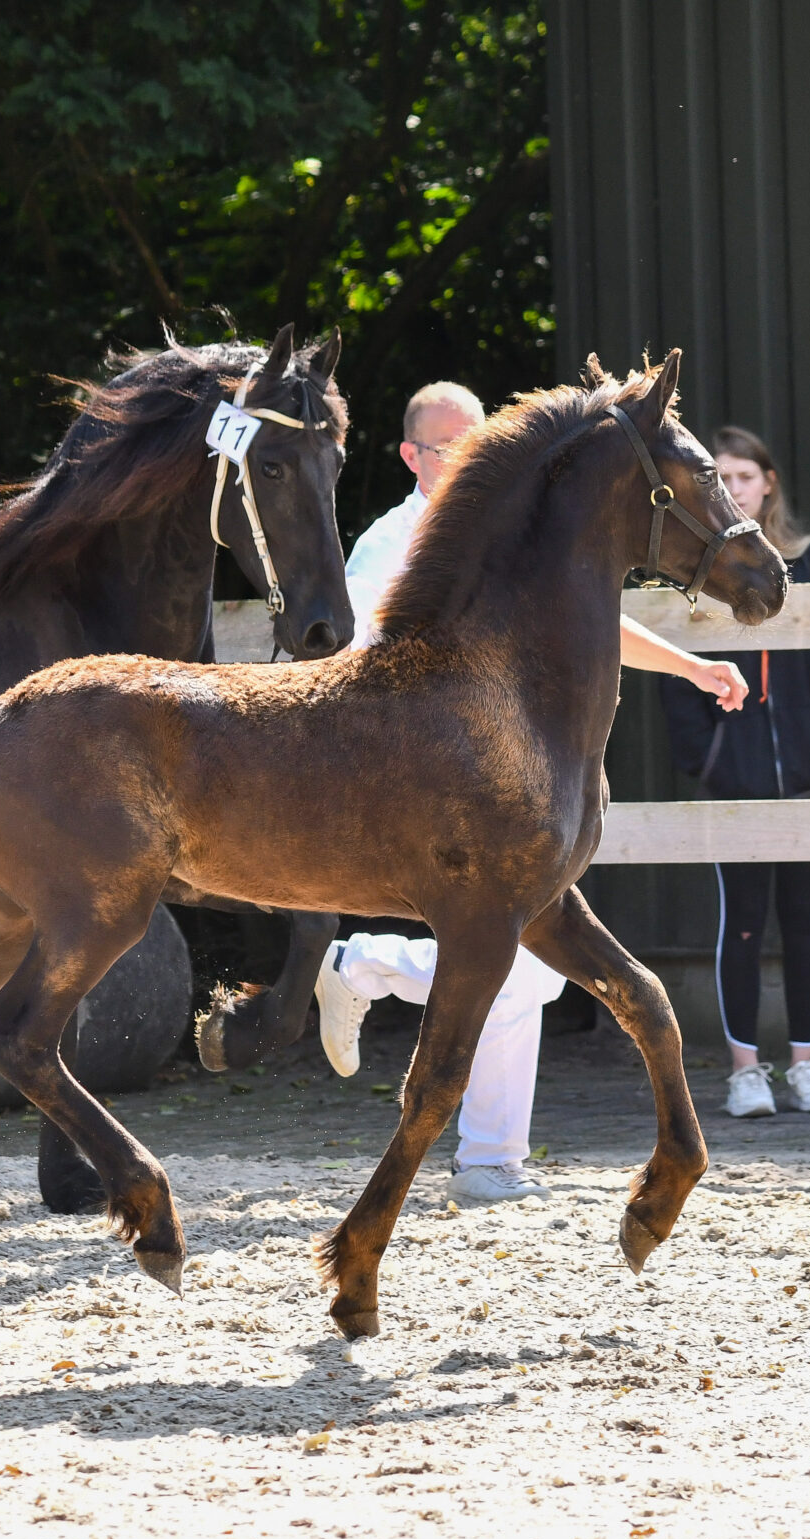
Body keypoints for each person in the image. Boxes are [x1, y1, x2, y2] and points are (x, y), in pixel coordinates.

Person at [313, 382, 754, 1205]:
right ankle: (485, 1155)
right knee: (519, 970)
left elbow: (591, 621)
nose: (467, 455)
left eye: (478, 439)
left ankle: (375, 981)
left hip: (498, 785)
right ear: (410, 456)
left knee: (534, 974)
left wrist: (692, 668)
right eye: (447, 446)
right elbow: (364, 659)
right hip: (422, 786)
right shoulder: (390, 543)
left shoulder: (512, 527)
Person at [659, 426, 810, 1119]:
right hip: (734, 783)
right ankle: (745, 1072)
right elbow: (676, 671)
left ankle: (806, 1066)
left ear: (768, 483)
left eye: (744, 476)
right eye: (721, 478)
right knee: (742, 924)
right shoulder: (697, 571)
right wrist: (709, 757)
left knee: (807, 921)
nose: (735, 488)